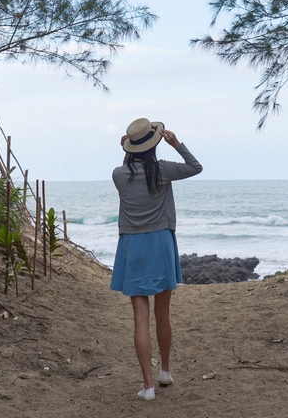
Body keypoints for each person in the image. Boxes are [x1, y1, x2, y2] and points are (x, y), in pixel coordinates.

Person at [110, 118, 202, 401]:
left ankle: (148, 387)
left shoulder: (118, 174)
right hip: (160, 243)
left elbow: (130, 163)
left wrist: (128, 149)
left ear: (129, 147)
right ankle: (165, 370)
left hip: (133, 247)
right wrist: (176, 144)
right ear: (155, 144)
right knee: (163, 314)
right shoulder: (162, 170)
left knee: (141, 318)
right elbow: (195, 167)